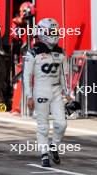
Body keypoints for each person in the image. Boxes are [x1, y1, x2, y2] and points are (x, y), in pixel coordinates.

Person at [23, 18, 70, 167]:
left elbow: (63, 74)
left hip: (56, 90)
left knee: (61, 124)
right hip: (40, 89)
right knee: (43, 126)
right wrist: (29, 96)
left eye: (55, 32)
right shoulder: (33, 52)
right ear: (43, 33)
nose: (54, 34)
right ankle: (44, 154)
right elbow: (26, 76)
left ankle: (53, 146)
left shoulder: (61, 52)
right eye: (51, 32)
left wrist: (67, 92)